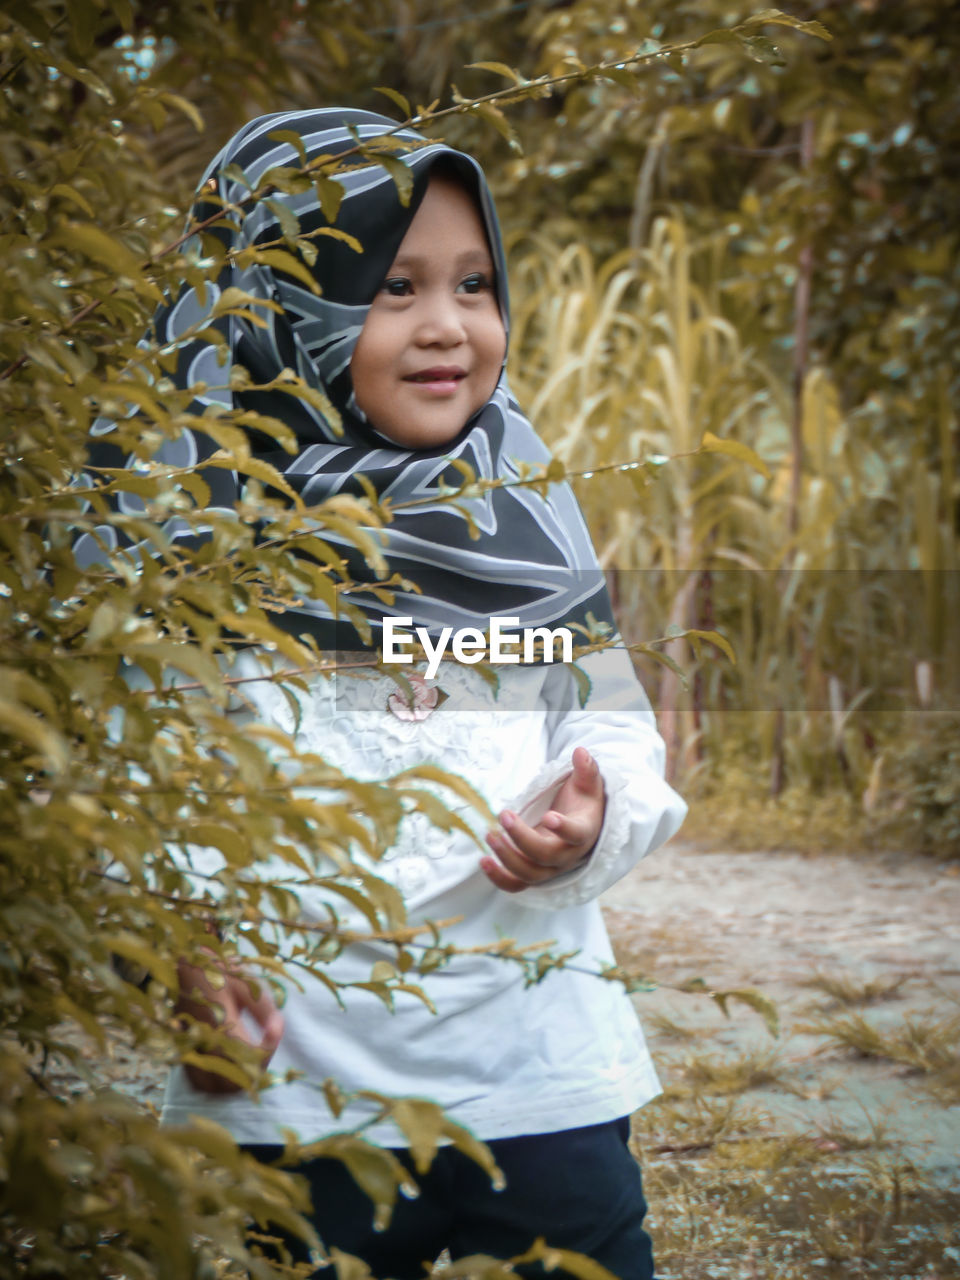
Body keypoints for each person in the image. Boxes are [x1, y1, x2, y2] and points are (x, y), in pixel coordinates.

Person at [81, 108, 687, 1279]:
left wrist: (598, 810)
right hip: (306, 1085)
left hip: (541, 1059)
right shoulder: (193, 541)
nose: (448, 326)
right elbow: (136, 778)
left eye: (473, 283)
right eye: (390, 286)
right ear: (273, 307)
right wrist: (175, 955)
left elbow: (609, 720)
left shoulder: (523, 507)